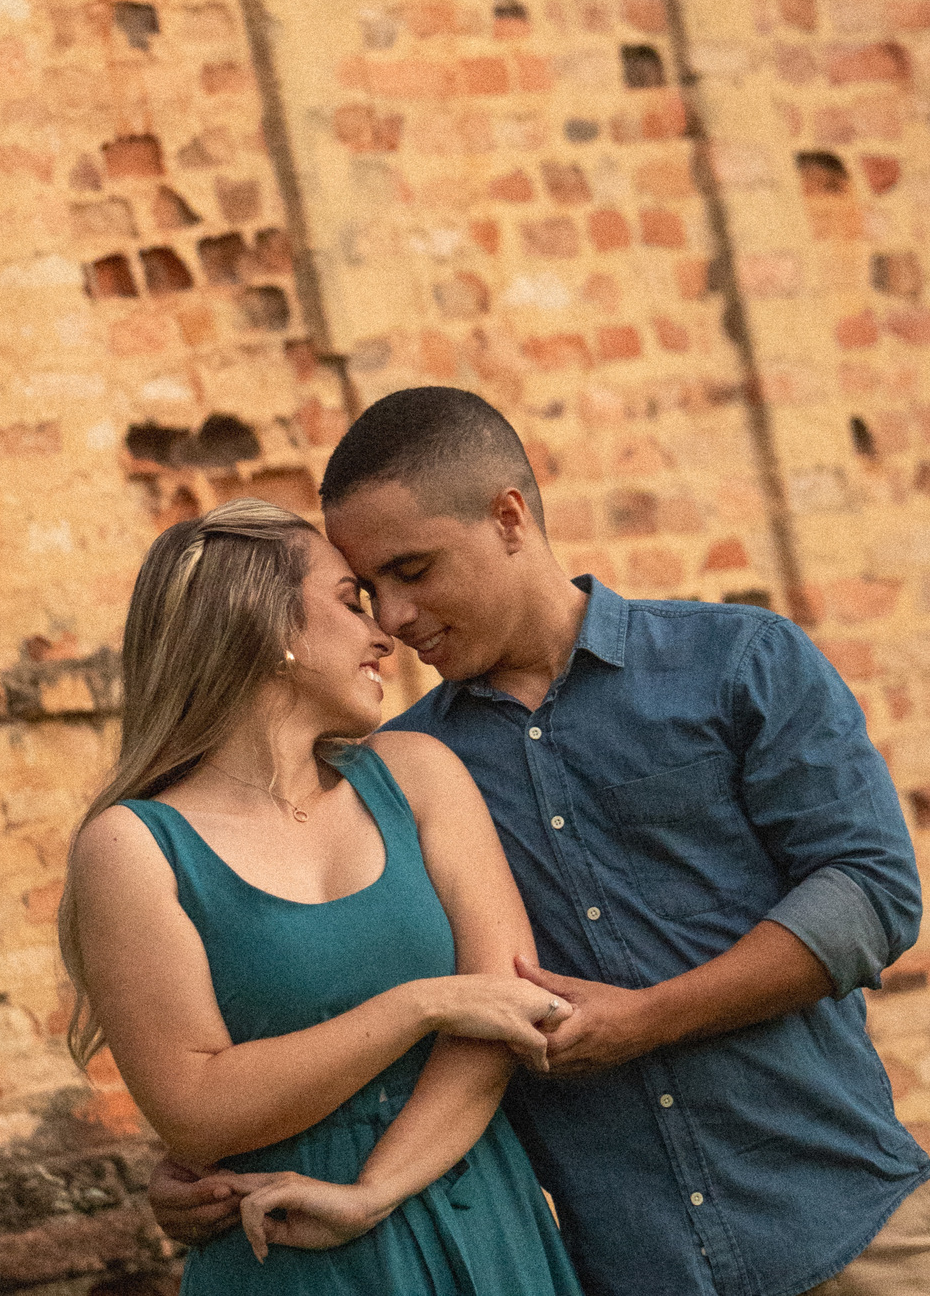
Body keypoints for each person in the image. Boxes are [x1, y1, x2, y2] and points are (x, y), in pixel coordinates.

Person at [150, 389, 930, 1296]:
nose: (395, 616)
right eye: (371, 590)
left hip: (838, 1226)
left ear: (509, 518)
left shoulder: (738, 661)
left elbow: (870, 892)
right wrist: (205, 1166)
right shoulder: (403, 774)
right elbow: (341, 990)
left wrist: (650, 1015)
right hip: (626, 1267)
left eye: (414, 569)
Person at [60, 496, 586, 1294]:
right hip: (285, 1243)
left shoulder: (420, 774)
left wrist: (372, 1192)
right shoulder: (131, 846)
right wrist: (421, 1004)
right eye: (350, 601)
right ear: (268, 625)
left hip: (475, 1210)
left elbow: (505, 1013)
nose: (384, 633)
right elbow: (194, 1109)